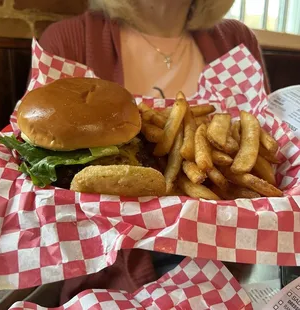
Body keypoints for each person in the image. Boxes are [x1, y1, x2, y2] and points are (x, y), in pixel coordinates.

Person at [38, 0, 271, 305]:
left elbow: (262, 146)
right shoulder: (69, 40)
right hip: (108, 280)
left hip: (227, 267)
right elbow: (48, 203)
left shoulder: (237, 41)